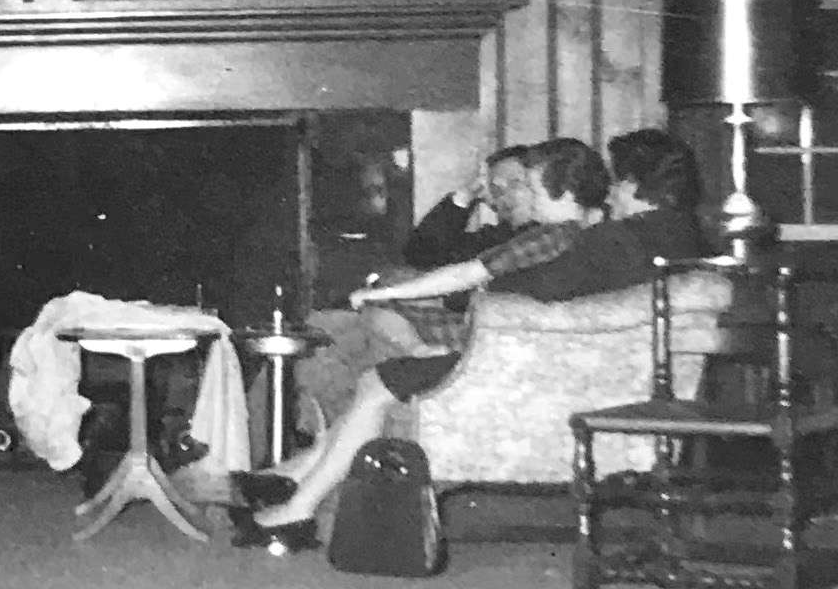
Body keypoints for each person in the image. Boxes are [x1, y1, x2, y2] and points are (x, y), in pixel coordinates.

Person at [249, 136, 698, 536]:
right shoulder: (678, 241)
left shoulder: (614, 242)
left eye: (620, 182)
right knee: (373, 357)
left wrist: (463, 302)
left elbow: (537, 289)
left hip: (520, 367)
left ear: (638, 187)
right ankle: (298, 482)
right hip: (550, 363)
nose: (613, 192)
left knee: (378, 381)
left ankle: (300, 505)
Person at [285, 142, 564, 438]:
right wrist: (463, 197)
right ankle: (319, 436)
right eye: (496, 188)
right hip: (425, 316)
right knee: (318, 329)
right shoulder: (495, 237)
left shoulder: (543, 240)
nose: (504, 195)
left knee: (356, 325)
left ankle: (346, 438)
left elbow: (476, 286)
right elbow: (420, 251)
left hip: (460, 327)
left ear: (541, 185)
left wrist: (417, 295)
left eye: (516, 184)